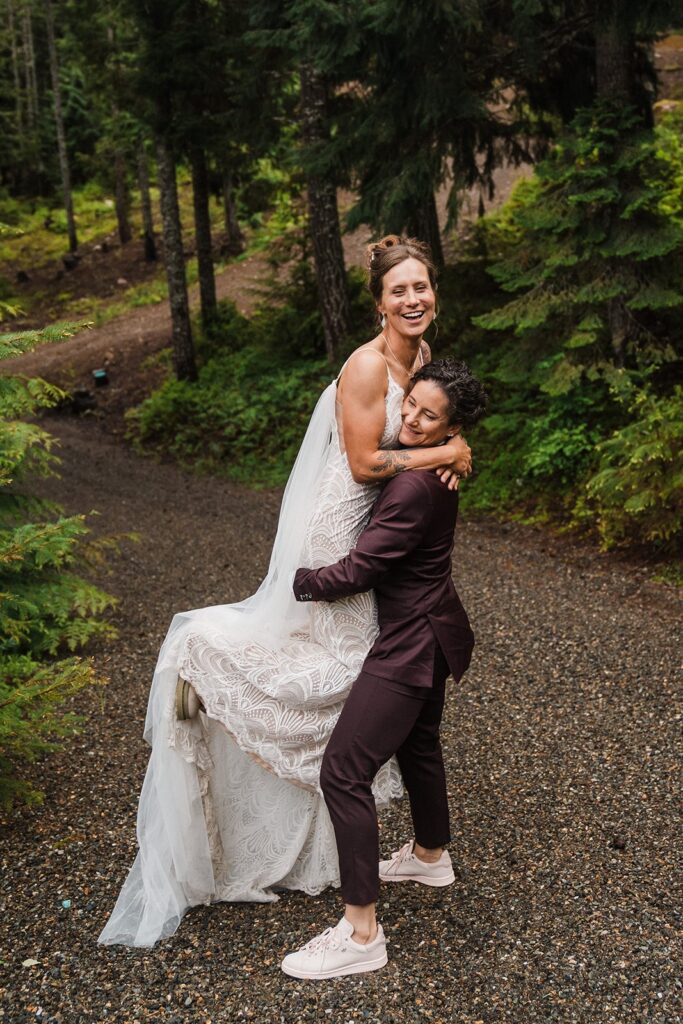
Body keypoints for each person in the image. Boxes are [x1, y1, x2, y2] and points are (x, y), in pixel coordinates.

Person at [98, 236, 472, 948]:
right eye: (399, 291)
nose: (413, 299)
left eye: (421, 287)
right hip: (343, 522)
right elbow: (364, 463)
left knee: (373, 671)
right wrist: (446, 451)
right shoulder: (366, 365)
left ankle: (395, 842)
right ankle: (212, 676)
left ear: (434, 293)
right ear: (377, 302)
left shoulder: (421, 358)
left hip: (380, 515)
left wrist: (449, 445)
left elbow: (431, 421)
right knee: (346, 661)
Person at [281, 359, 487, 980]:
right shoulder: (436, 468)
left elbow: (361, 569)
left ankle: (361, 931)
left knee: (344, 770)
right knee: (419, 745)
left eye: (430, 417)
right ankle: (429, 855)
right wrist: (448, 450)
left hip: (410, 644)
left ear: (452, 427)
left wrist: (299, 580)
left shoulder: (412, 485)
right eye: (410, 406)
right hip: (437, 627)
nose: (411, 420)